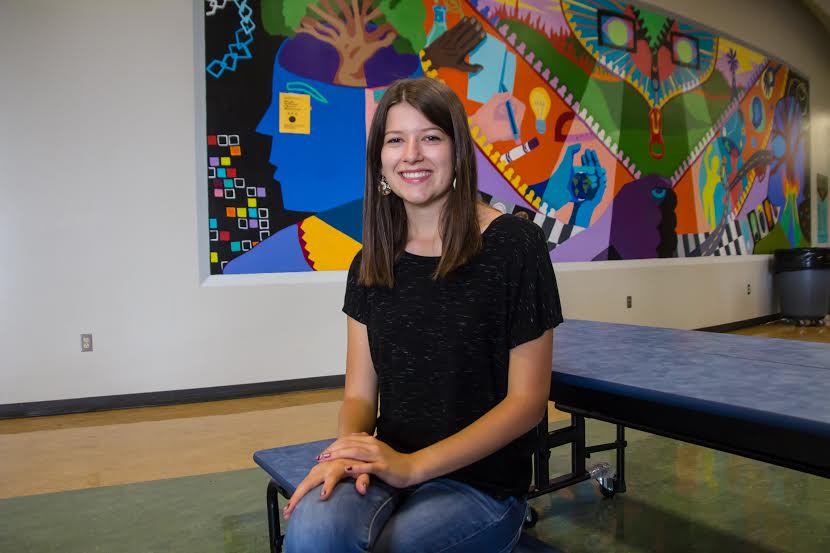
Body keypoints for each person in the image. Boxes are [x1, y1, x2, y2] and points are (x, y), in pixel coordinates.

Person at [282, 77, 563, 552]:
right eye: (396, 140)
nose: (411, 154)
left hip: (481, 486)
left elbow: (527, 404)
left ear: (457, 152)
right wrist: (346, 451)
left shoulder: (516, 245)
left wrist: (413, 467)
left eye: (430, 137)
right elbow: (358, 394)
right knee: (313, 524)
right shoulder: (369, 262)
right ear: (380, 162)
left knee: (399, 545)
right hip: (387, 464)